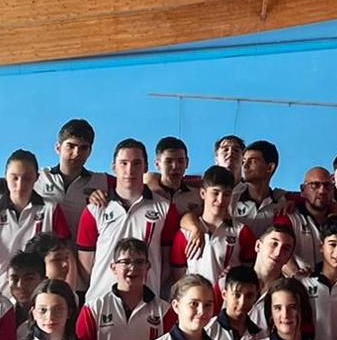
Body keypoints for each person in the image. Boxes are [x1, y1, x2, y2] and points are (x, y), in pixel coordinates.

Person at [77, 139, 187, 297]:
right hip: (101, 299)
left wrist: (149, 283)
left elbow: (167, 263)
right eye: (123, 163)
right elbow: (85, 264)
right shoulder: (94, 209)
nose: (130, 170)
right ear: (114, 167)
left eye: (136, 163)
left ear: (146, 167)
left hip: (146, 302)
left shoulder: (165, 208)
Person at [0, 149, 72, 292]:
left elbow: (66, 255)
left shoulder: (51, 209)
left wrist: (68, 292)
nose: (20, 185)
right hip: (0, 293)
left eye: (27, 178)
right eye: (14, 178)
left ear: (37, 177)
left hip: (40, 296)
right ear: (5, 176)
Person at [176, 165, 254, 288]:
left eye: (227, 194)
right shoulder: (185, 232)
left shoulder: (242, 232)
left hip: (228, 304)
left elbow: (248, 276)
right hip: (195, 304)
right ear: (203, 193)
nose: (221, 200)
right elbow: (178, 277)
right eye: (215, 193)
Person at [35, 119, 112, 238]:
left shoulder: (102, 181)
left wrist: (149, 179)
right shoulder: (38, 178)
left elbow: (132, 181)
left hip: (86, 254)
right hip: (45, 254)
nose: (76, 153)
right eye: (71, 146)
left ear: (90, 151)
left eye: (83, 148)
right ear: (58, 148)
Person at [232, 140, 288, 238]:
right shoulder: (231, 198)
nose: (245, 166)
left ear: (270, 168)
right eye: (244, 161)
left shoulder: (281, 202)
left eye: (253, 161)